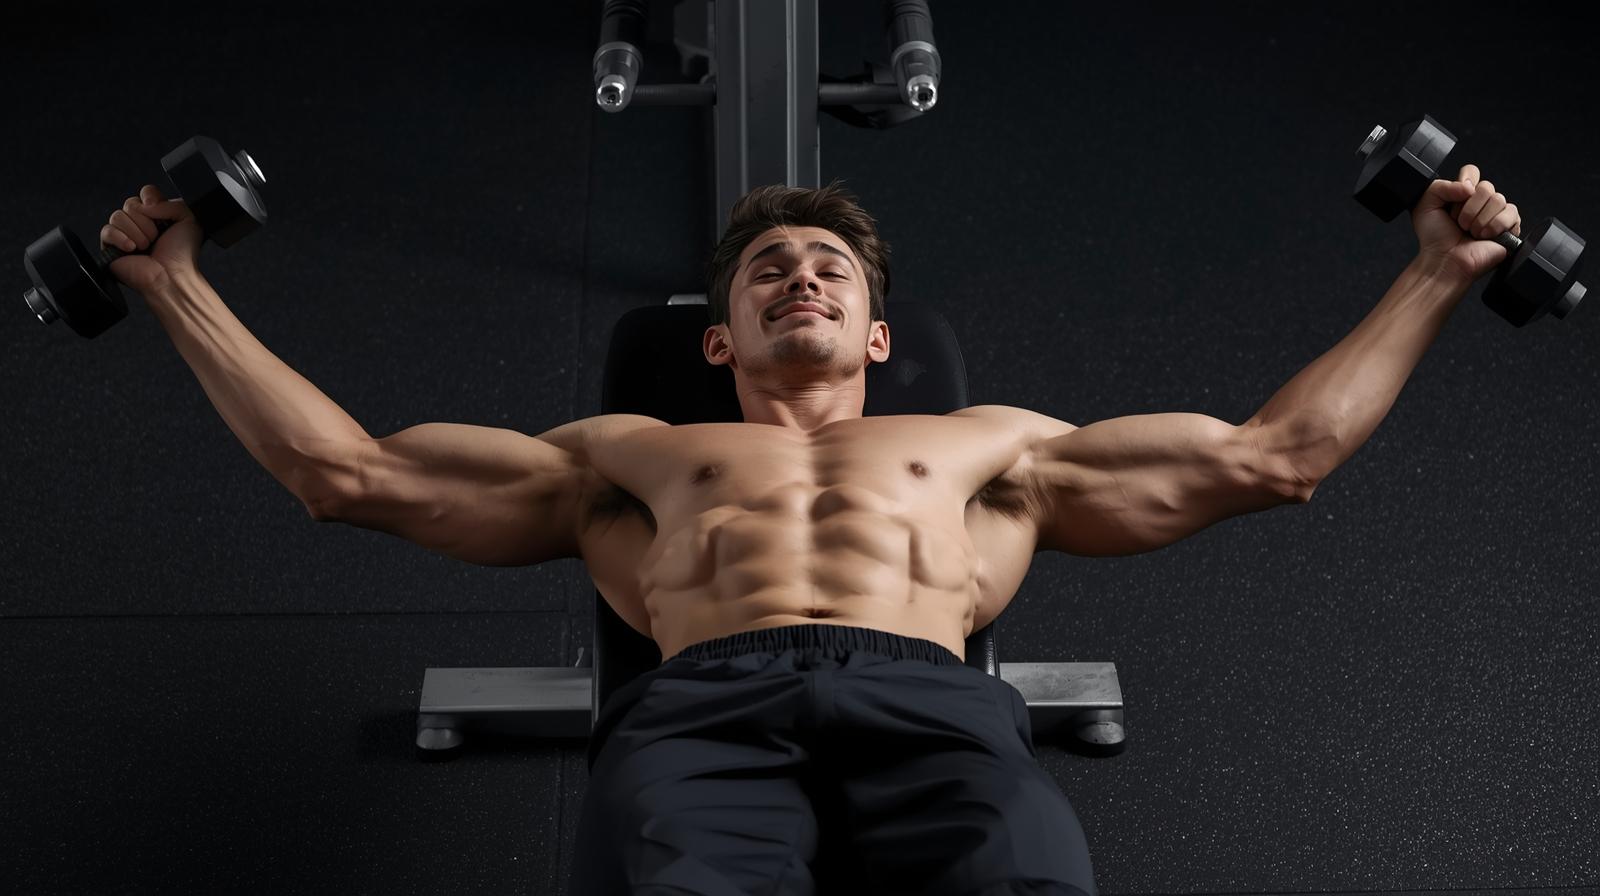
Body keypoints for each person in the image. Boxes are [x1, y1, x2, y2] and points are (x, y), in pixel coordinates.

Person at [102, 169, 1519, 895]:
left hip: (933, 700)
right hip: (701, 702)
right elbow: (344, 472)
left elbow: (1278, 457)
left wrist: (1440, 271)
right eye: (769, 269)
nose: (802, 278)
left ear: (878, 334)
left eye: (831, 267)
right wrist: (172, 286)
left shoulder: (995, 445)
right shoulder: (628, 454)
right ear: (718, 339)